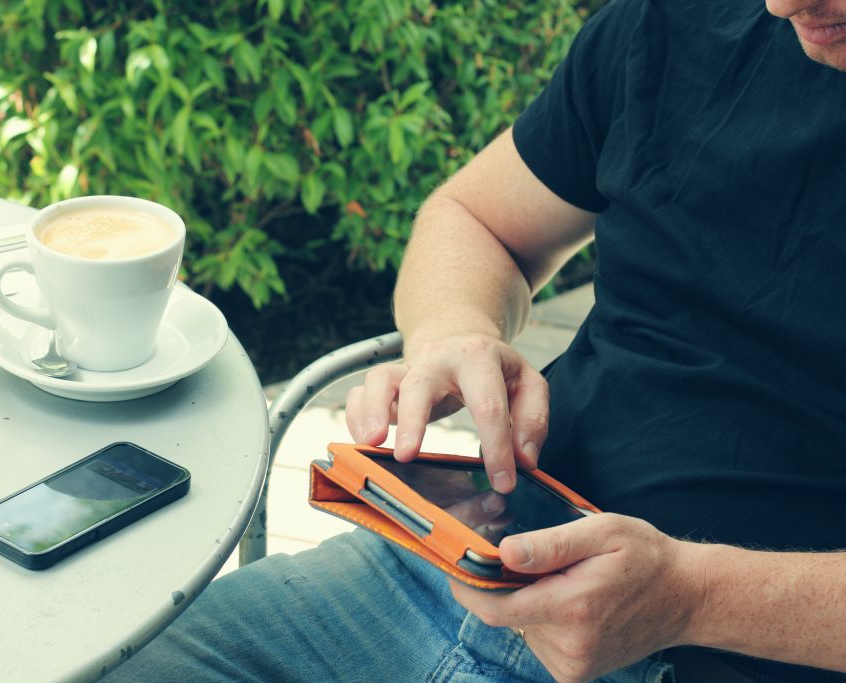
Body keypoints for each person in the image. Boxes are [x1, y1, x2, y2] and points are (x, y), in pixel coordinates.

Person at [105, 0, 846, 681]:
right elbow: (474, 216)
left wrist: (693, 597)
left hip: (734, 653)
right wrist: (456, 328)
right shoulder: (675, 24)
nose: (783, 4)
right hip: (455, 565)